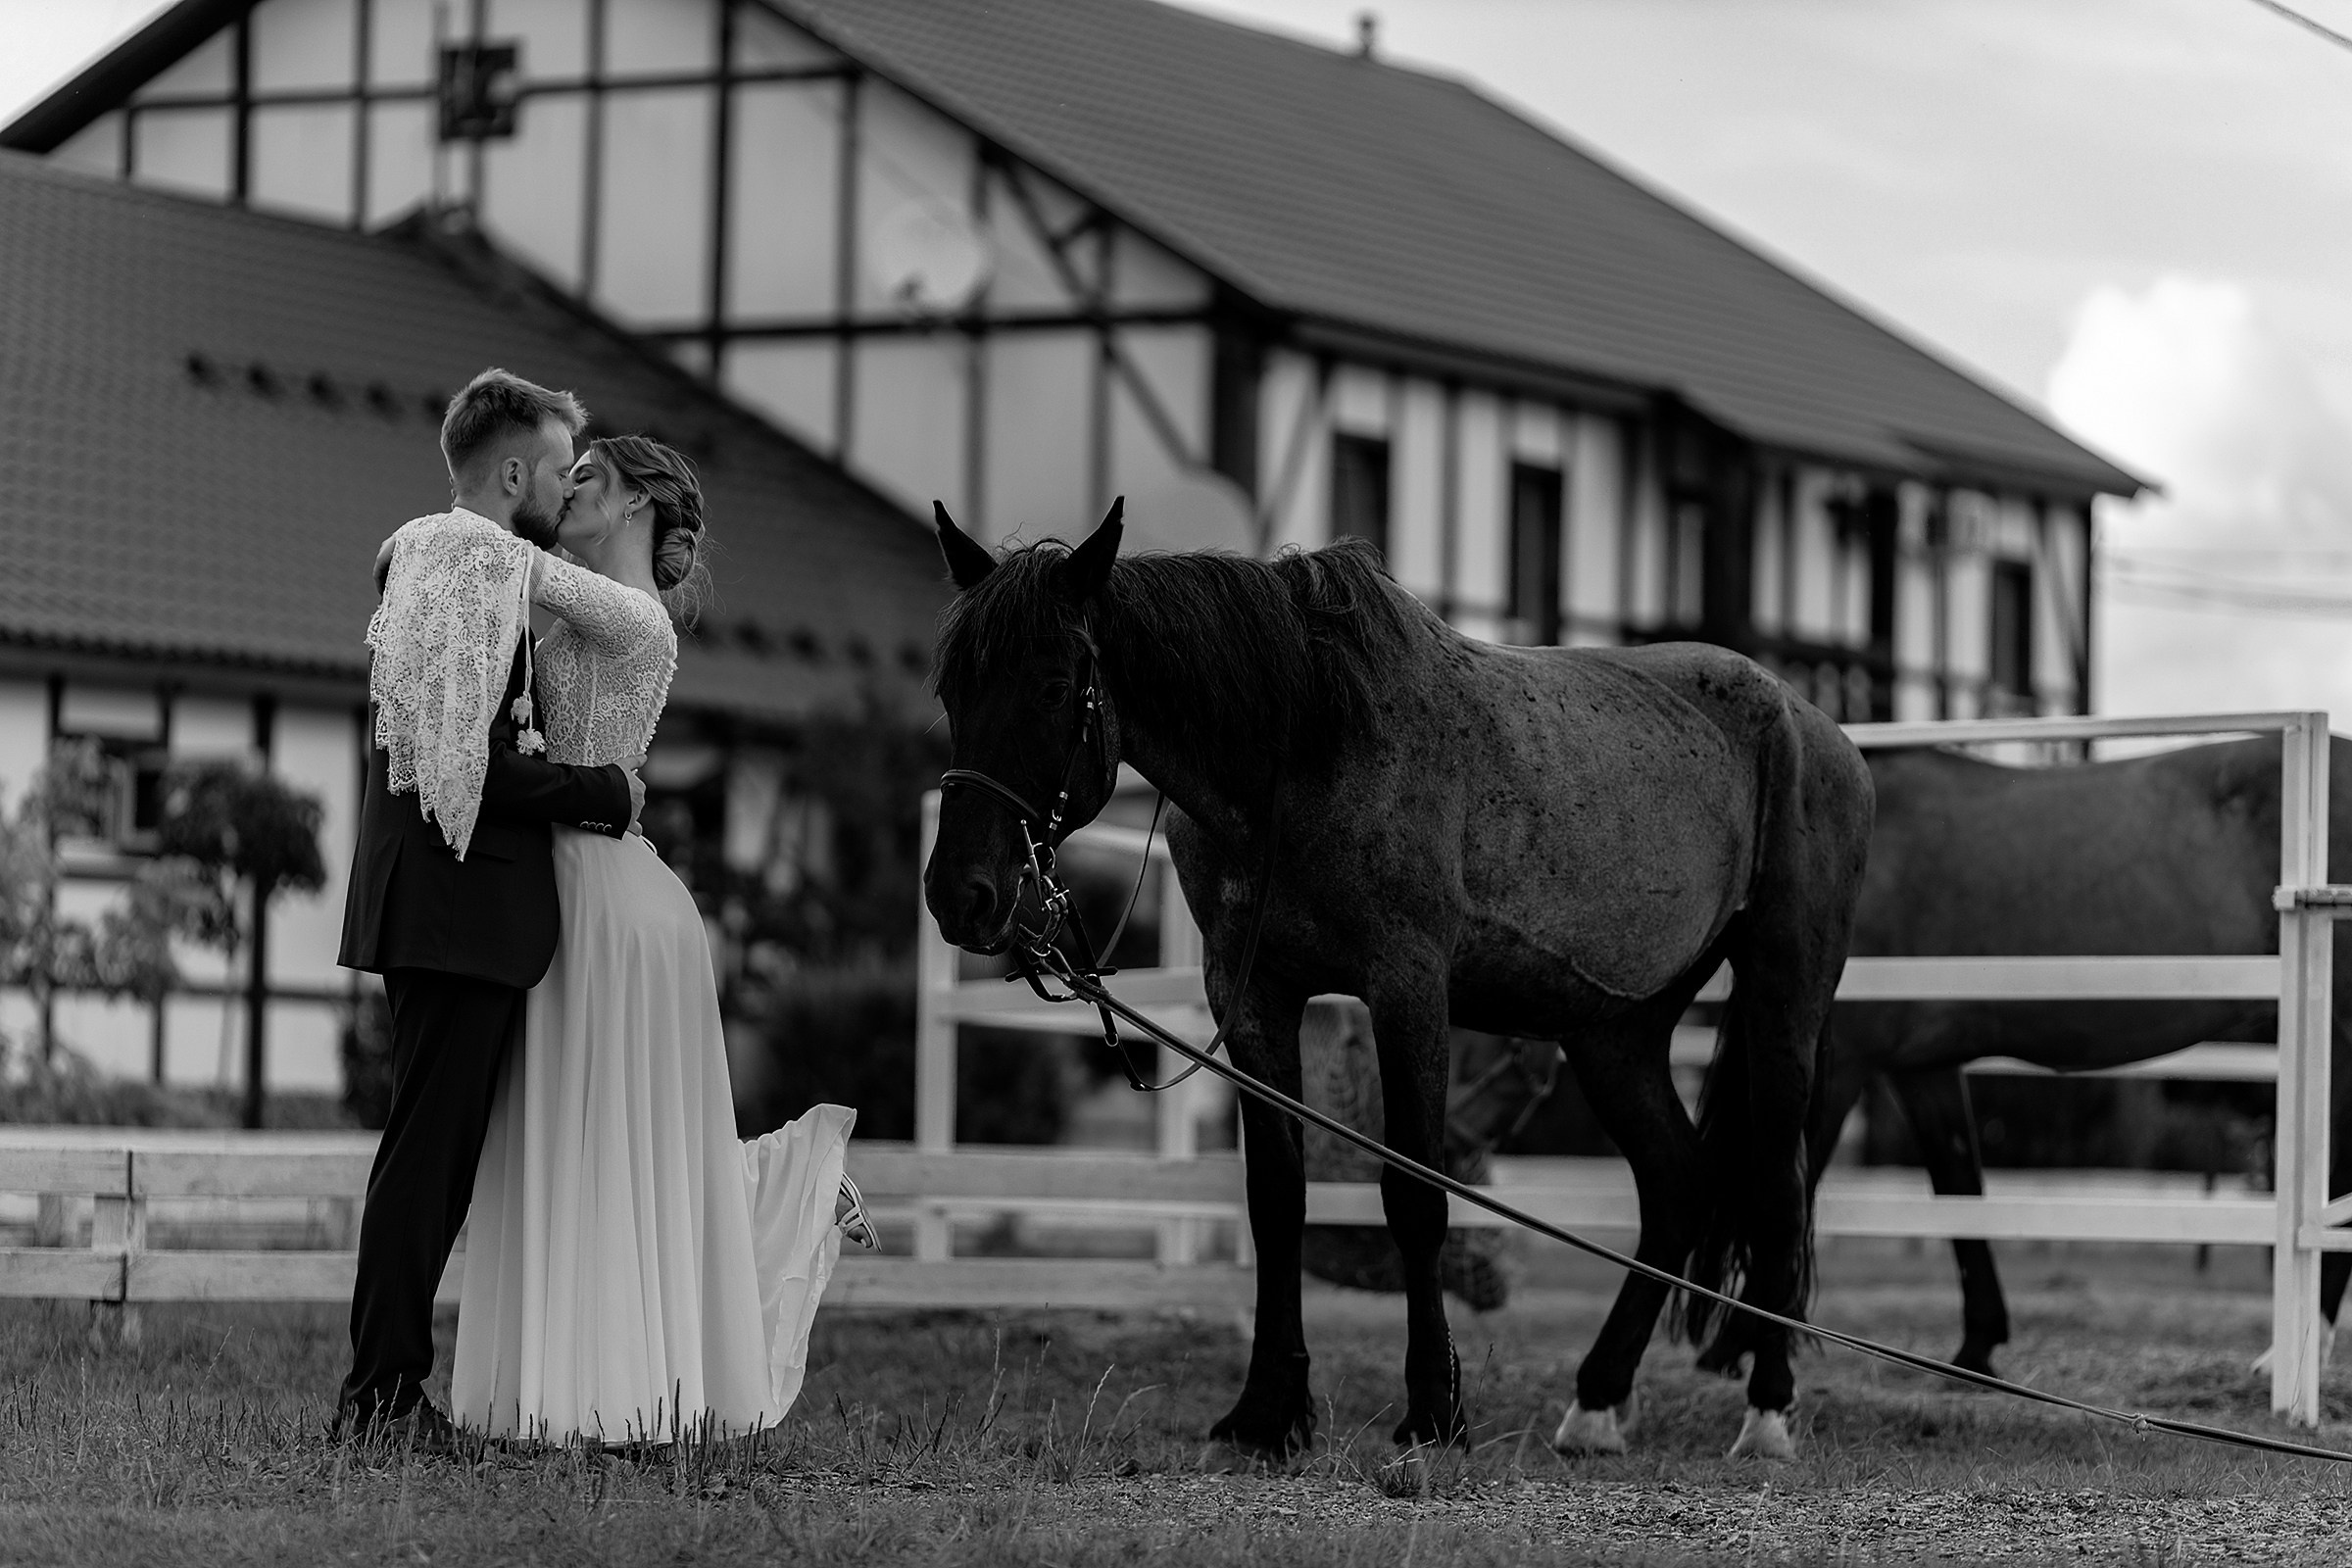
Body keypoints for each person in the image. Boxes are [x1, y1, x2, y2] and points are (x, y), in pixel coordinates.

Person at [449, 434, 867, 1446]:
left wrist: (445, 520)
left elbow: (491, 560)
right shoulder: (571, 600)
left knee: (615, 1140)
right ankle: (567, 1385)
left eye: (584, 474)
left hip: (611, 904)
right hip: (565, 886)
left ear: (635, 502)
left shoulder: (636, 618)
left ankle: (789, 1200)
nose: (567, 485)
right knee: (582, 1136)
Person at [336, 369, 645, 1448]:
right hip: (455, 906)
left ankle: (384, 1389)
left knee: (431, 1155)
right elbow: (461, 764)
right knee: (426, 1160)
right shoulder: (472, 561)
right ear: (513, 471)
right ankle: (378, 1399)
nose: (567, 491)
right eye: (562, 470)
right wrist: (603, 792)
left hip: (438, 903)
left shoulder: (439, 556)